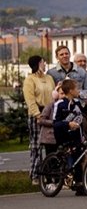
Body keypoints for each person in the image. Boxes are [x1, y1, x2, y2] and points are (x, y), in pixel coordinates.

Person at [22, 55, 55, 183]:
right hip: (37, 114)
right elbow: (30, 100)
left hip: (49, 114)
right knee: (36, 145)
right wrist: (37, 114)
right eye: (43, 62)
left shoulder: (49, 78)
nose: (45, 64)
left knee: (50, 145)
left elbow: (53, 96)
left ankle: (50, 174)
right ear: (38, 63)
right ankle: (35, 174)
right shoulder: (30, 80)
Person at [37, 83, 63, 157]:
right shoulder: (50, 106)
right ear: (56, 94)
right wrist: (54, 123)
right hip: (49, 138)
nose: (63, 96)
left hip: (60, 138)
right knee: (51, 157)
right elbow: (41, 120)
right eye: (61, 93)